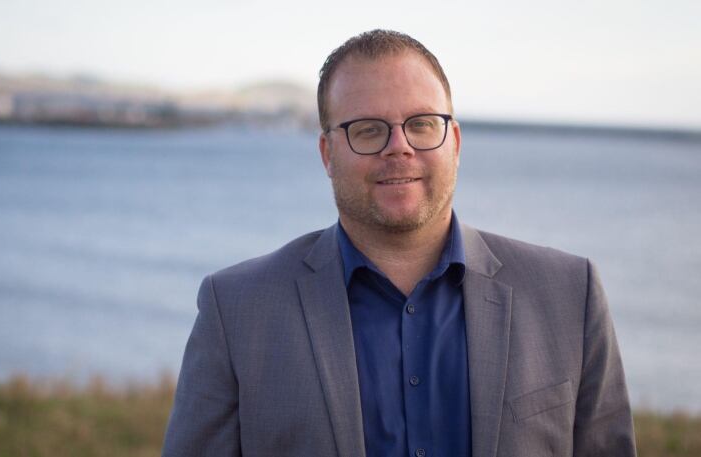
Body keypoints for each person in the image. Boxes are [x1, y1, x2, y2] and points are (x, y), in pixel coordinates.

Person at [161, 29, 636, 457]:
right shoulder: (238, 309)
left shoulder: (570, 295)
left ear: (454, 142)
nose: (400, 146)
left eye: (422, 123)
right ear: (328, 154)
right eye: (368, 130)